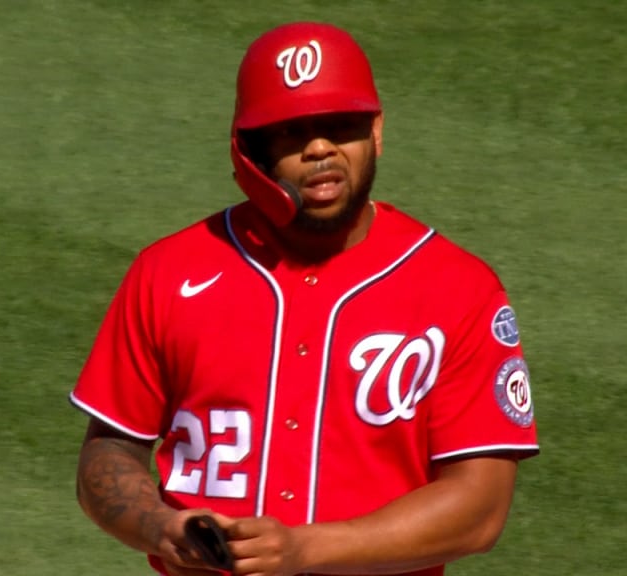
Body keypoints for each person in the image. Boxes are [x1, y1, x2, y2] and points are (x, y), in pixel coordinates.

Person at [70, 21, 539, 576]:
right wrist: (158, 526)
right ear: (250, 151)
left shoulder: (458, 289)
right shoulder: (169, 273)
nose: (320, 148)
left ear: (376, 132)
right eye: (292, 132)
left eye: (340, 125)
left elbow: (480, 510)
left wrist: (303, 551)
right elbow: (109, 453)